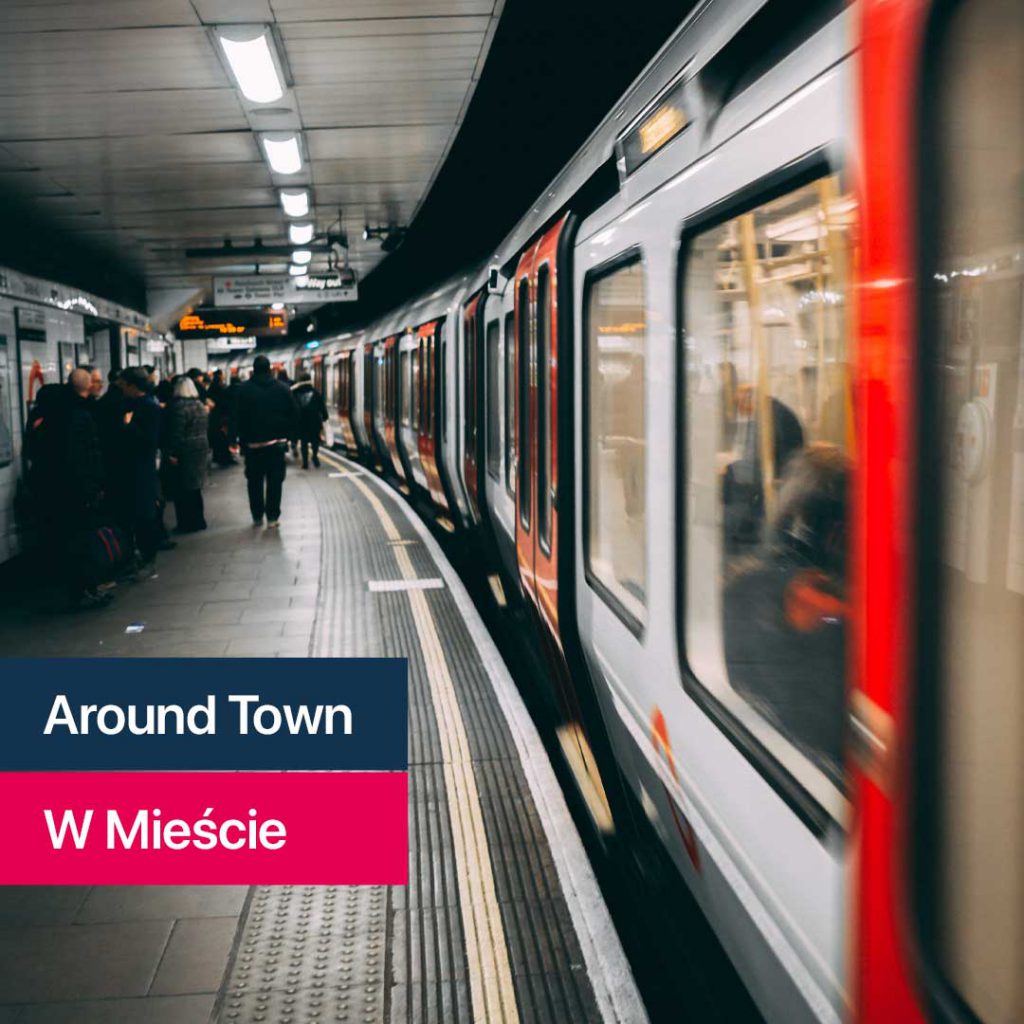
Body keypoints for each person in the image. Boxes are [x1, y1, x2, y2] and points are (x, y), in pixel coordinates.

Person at [26, 371, 108, 607]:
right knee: (81, 539)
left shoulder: (40, 421)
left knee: (61, 538)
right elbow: (88, 455)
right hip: (77, 489)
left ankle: (72, 587)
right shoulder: (77, 417)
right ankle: (85, 589)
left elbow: (32, 452)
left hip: (48, 489)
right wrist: (95, 485)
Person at [237, 354, 298, 528]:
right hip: (276, 445)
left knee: (254, 482)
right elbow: (294, 414)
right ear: (270, 369)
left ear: (253, 370)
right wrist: (287, 435)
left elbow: (238, 417)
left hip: (253, 446)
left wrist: (239, 441)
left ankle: (257, 515)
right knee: (275, 481)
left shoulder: (243, 390)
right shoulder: (283, 388)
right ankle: (272, 517)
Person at [119, 366, 163, 576]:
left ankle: (148, 558)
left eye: (123, 385)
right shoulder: (141, 404)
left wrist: (128, 426)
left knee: (144, 515)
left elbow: (148, 441)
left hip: (142, 469)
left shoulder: (148, 407)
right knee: (139, 514)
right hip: (137, 469)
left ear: (132, 385)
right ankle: (143, 557)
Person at [162, 375, 210, 532]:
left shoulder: (179, 408)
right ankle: (199, 520)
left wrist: (172, 453)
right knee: (195, 487)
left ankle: (186, 523)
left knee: (182, 489)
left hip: (185, 450)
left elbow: (177, 433)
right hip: (201, 448)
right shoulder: (200, 405)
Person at [291, 372, 328, 468]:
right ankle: (315, 456)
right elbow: (322, 406)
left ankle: (305, 462)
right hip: (314, 421)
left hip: (301, 422)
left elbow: (292, 407)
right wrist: (325, 416)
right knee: (315, 441)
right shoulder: (315, 392)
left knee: (304, 442)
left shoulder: (295, 392)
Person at [207, 369, 236, 466]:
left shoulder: (211, 388)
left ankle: (220, 457)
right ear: (220, 376)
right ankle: (225, 458)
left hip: (215, 416)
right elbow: (226, 402)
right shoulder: (221, 388)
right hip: (223, 416)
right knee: (224, 437)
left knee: (219, 438)